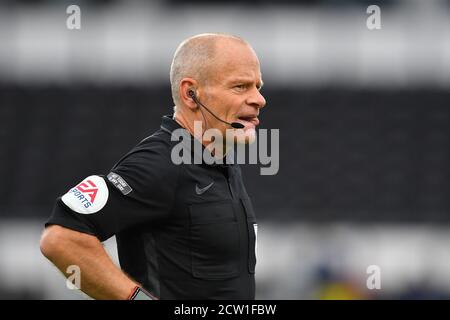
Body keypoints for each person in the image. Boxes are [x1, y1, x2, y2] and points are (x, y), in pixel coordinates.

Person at [40, 33, 266, 300]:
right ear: (190, 94)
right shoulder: (159, 162)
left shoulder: (222, 162)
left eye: (258, 87)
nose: (259, 100)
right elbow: (61, 238)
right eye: (240, 87)